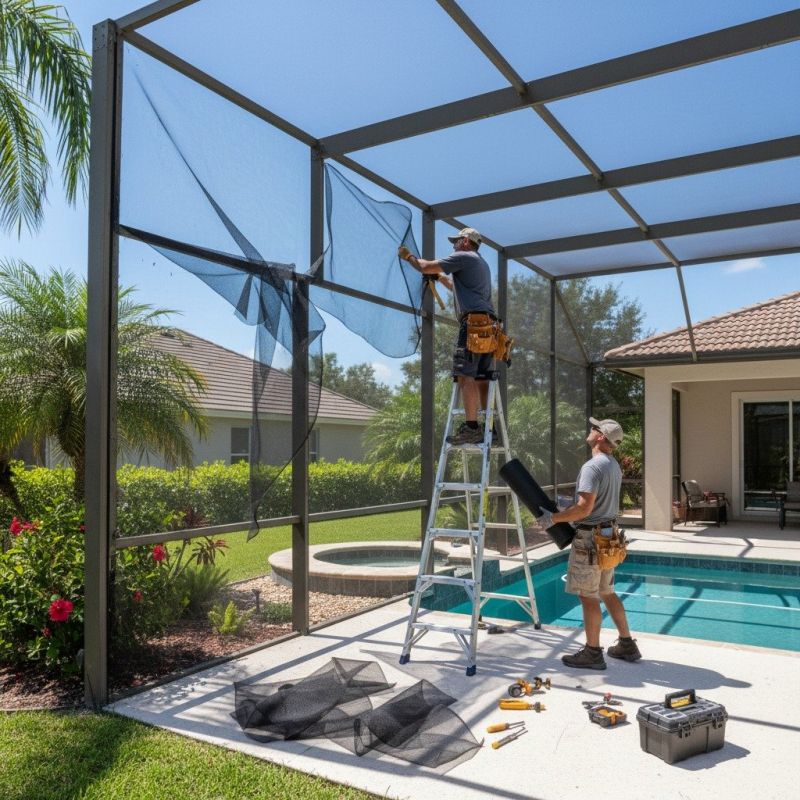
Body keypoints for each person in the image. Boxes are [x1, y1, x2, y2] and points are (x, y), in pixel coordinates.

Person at [537, 417, 642, 669]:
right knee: (606, 591)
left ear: (600, 437)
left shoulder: (593, 467)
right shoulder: (613, 465)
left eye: (594, 428)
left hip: (591, 539)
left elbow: (584, 509)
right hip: (608, 536)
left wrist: (553, 518)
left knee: (588, 596)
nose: (590, 430)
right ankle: (627, 644)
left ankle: (593, 652)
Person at [399, 227, 497, 445]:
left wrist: (409, 257)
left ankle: (472, 428)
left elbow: (424, 266)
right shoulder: (480, 263)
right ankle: (491, 429)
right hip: (488, 327)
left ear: (465, 241)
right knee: (482, 378)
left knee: (465, 376)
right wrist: (441, 277)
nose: (453, 245)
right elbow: (458, 286)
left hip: (472, 326)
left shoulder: (462, 256)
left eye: (456, 241)